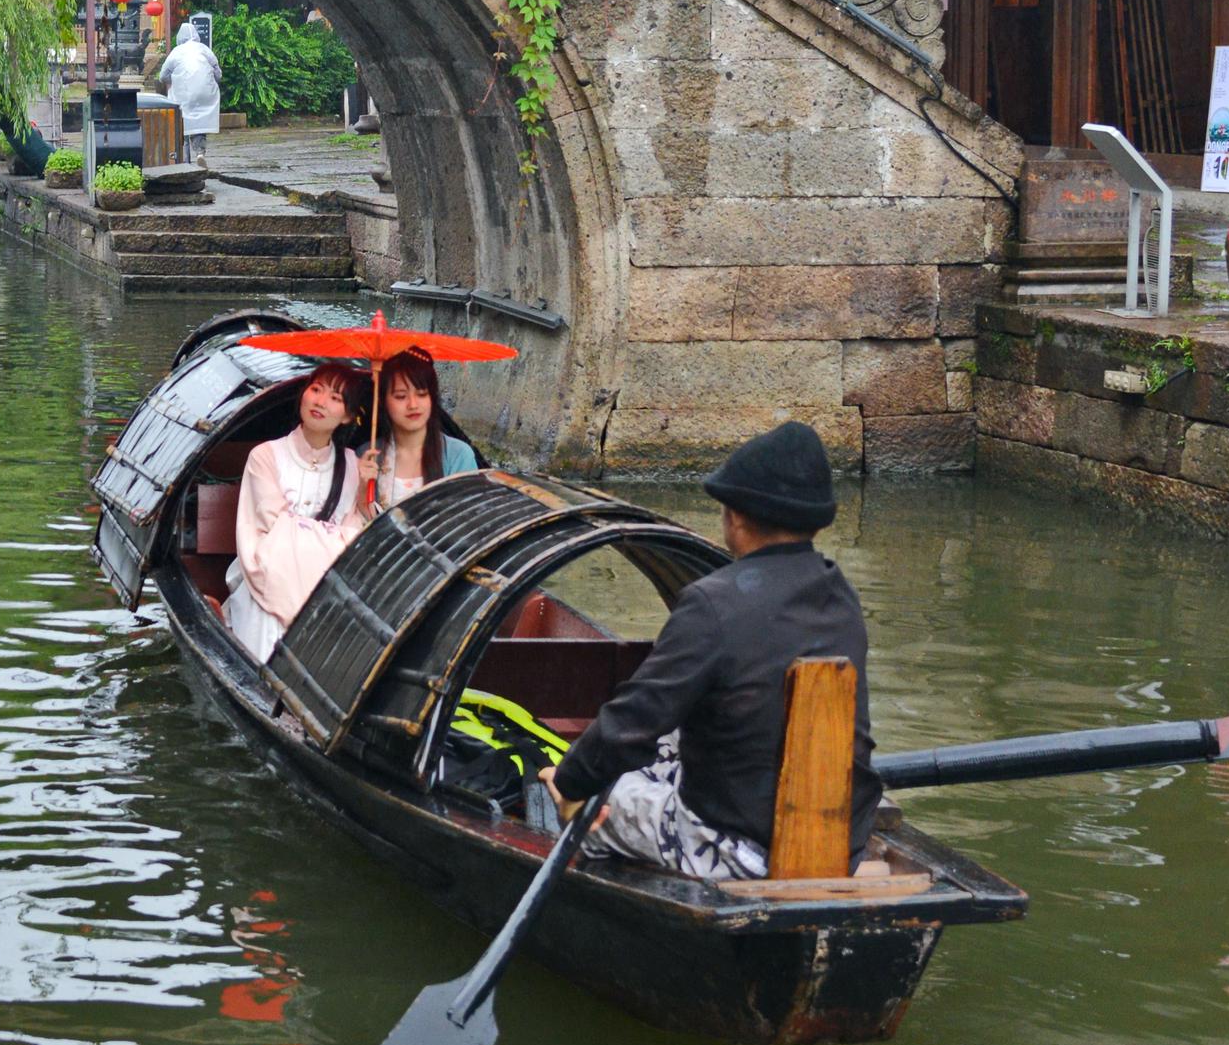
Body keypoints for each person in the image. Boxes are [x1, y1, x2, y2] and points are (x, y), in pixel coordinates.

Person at [537, 421, 880, 881]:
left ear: (734, 517)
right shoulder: (842, 596)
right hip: (842, 841)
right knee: (671, 740)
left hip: (735, 850)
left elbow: (632, 722)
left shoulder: (712, 602)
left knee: (594, 805)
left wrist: (570, 783)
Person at [223, 365, 366, 664]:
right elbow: (276, 531)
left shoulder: (353, 465)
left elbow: (354, 541)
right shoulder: (265, 456)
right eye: (316, 390)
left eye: (335, 397)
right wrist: (331, 541)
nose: (320, 401)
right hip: (268, 577)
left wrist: (366, 490)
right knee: (267, 640)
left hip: (328, 587)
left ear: (348, 416)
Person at [371, 349, 479, 508]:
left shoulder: (458, 455)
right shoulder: (369, 456)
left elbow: (469, 515)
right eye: (401, 396)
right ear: (382, 401)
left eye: (421, 394)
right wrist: (363, 491)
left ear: (432, 398)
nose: (413, 405)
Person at [158, 17, 222, 163]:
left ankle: (185, 161)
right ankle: (200, 153)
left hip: (183, 93)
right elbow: (218, 73)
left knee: (183, 125)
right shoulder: (204, 49)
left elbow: (163, 76)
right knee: (200, 121)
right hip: (205, 93)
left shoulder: (176, 52)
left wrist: (175, 80)